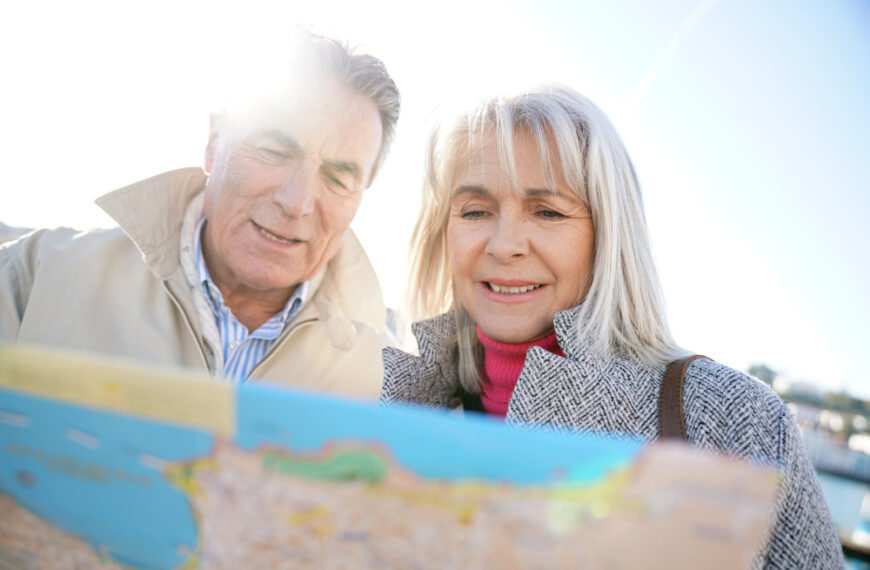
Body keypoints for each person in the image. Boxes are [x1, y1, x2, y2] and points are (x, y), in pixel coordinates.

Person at [381, 85, 843, 567]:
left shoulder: (735, 421)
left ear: (608, 236)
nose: (505, 244)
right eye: (475, 211)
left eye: (548, 211)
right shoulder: (383, 403)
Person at [0, 29, 400, 399]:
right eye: (274, 151)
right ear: (213, 142)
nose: (296, 202)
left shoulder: (389, 382)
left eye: (338, 179)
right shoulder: (34, 279)